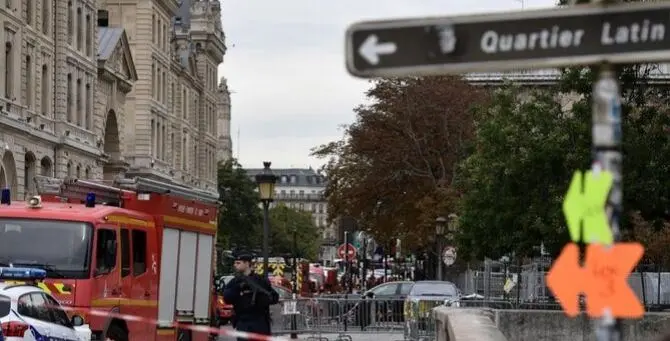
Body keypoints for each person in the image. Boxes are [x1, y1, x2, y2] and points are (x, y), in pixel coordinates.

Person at [223, 254, 279, 340]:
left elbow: (274, 297)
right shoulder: (235, 281)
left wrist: (260, 298)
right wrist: (238, 287)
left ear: (247, 264)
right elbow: (227, 298)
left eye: (238, 263)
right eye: (235, 263)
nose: (235, 265)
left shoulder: (260, 281)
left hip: (259, 322)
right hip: (243, 321)